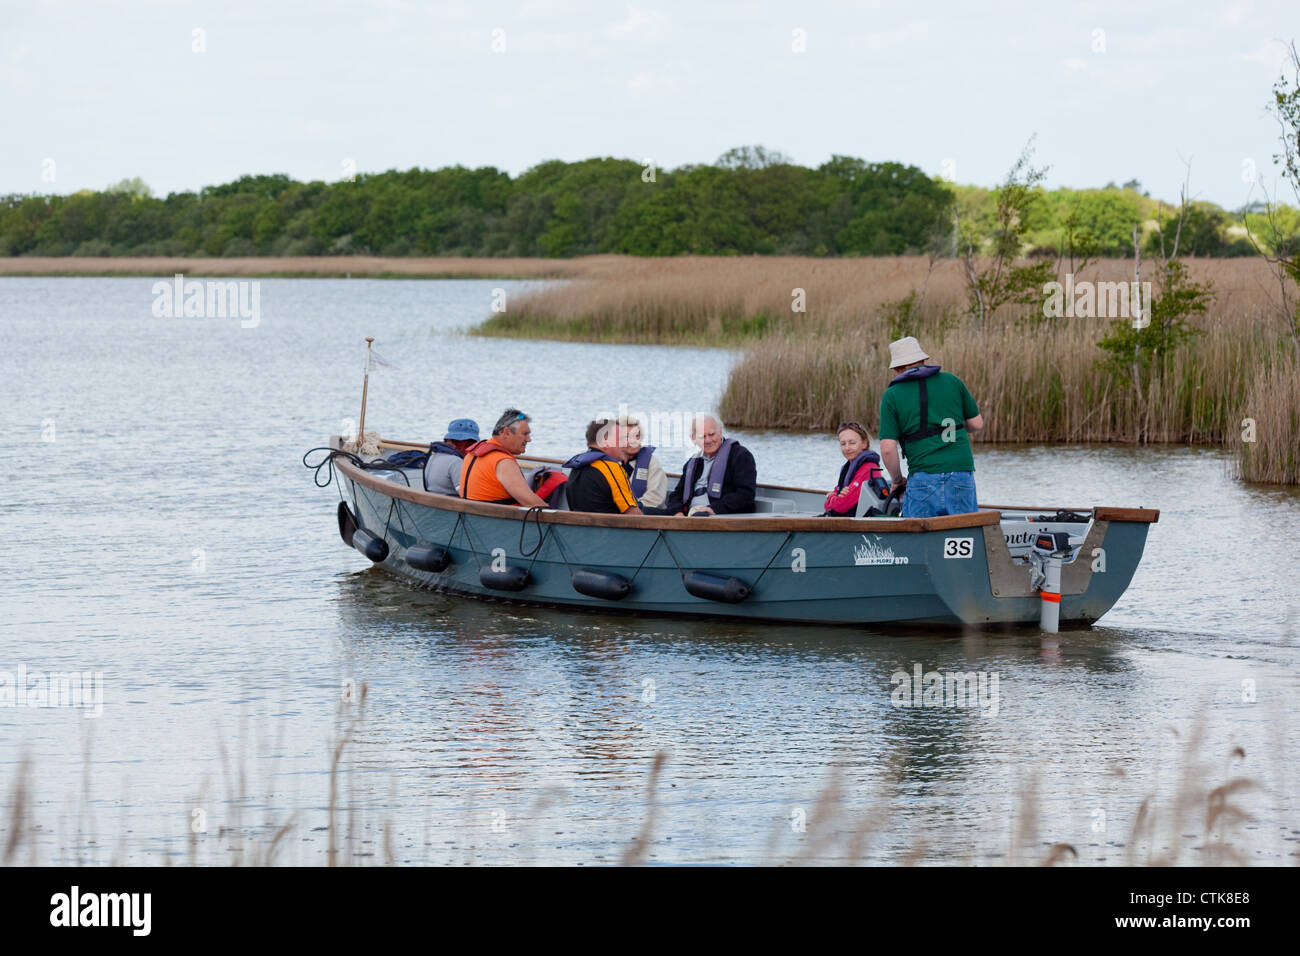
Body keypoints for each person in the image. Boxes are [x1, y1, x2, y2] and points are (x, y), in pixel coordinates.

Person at [878, 336, 984, 518]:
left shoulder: (892, 395)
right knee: (964, 534)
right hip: (960, 473)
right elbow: (976, 424)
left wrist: (897, 480)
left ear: (896, 369)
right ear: (924, 360)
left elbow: (888, 450)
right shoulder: (953, 381)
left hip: (923, 477)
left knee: (919, 541)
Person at [653, 413, 756, 516]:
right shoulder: (691, 463)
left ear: (720, 432)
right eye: (702, 436)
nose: (708, 440)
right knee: (644, 511)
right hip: (688, 515)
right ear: (693, 438)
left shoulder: (740, 456)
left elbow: (745, 495)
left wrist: (713, 509)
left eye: (712, 434)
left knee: (699, 516)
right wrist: (677, 512)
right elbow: (676, 495)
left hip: (718, 516)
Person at [458, 408, 549, 507]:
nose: (529, 439)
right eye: (525, 434)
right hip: (498, 520)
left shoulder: (472, 454)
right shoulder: (503, 462)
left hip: (474, 517)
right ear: (506, 432)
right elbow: (533, 504)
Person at [563, 419, 643, 515]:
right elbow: (634, 515)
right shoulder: (611, 468)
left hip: (582, 526)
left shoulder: (578, 466)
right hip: (610, 528)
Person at [823, 421, 892, 517]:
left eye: (852, 443)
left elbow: (841, 505)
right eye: (843, 444)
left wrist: (830, 496)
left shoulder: (868, 469)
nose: (847, 448)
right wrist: (835, 497)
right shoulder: (849, 468)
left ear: (864, 444)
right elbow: (827, 505)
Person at [423, 418, 479, 495]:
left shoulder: (433, 456)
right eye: (468, 443)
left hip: (433, 498)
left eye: (472, 443)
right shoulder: (456, 462)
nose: (470, 447)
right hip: (449, 504)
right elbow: (465, 494)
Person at [620, 417, 667, 509]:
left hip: (646, 513)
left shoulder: (652, 463)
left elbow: (655, 499)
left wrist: (631, 509)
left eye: (636, 436)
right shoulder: (611, 464)